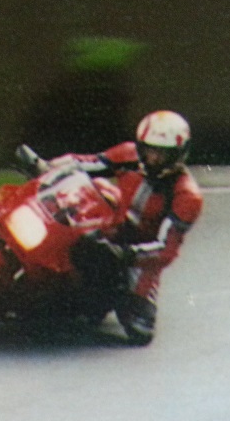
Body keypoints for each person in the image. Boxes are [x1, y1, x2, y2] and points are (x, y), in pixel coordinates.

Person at [22, 110, 203, 345]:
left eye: (163, 154)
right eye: (149, 150)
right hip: (111, 229)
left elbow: (165, 249)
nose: (153, 159)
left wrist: (124, 254)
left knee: (139, 332)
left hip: (141, 254)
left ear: (179, 154)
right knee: (72, 233)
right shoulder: (129, 155)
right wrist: (44, 166)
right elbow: (84, 163)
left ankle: (109, 299)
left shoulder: (187, 196)